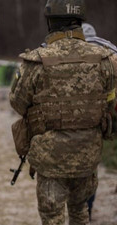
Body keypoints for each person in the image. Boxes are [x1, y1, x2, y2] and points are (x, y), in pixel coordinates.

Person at [9, 0, 117, 224]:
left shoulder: (36, 61)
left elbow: (18, 104)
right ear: (80, 21)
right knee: (80, 212)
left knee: (52, 217)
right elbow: (110, 102)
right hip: (88, 156)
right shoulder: (105, 59)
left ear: (50, 22)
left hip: (50, 160)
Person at [81, 22, 117, 221]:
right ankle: (87, 209)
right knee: (90, 171)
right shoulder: (107, 61)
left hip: (72, 126)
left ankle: (80, 209)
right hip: (95, 127)